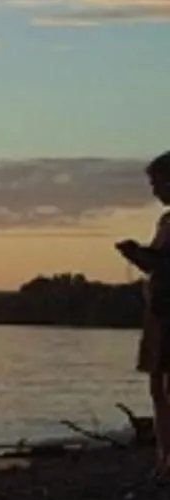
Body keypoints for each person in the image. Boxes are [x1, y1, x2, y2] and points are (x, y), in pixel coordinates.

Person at [114, 151, 170, 482]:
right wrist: (138, 256)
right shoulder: (165, 222)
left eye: (157, 182)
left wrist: (139, 254)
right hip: (159, 312)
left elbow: (164, 264)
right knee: (157, 387)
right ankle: (164, 457)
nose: (154, 190)